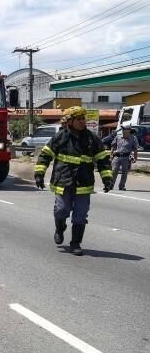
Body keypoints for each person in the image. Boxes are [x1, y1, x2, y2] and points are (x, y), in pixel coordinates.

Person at [35, 106, 113, 256]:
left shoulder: (92, 138)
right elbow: (45, 155)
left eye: (84, 118)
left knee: (80, 215)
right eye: (79, 119)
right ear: (70, 121)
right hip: (63, 180)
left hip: (84, 183)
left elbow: (103, 160)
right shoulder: (60, 137)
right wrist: (39, 174)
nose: (83, 121)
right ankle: (60, 228)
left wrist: (107, 178)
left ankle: (75, 243)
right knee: (61, 209)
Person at [110, 122, 139, 191]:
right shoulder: (118, 136)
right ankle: (111, 185)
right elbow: (113, 146)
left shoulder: (133, 138)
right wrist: (111, 155)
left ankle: (121, 186)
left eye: (124, 129)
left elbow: (135, 149)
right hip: (116, 157)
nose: (123, 130)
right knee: (113, 171)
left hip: (126, 157)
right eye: (122, 129)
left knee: (124, 172)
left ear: (129, 130)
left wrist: (135, 158)